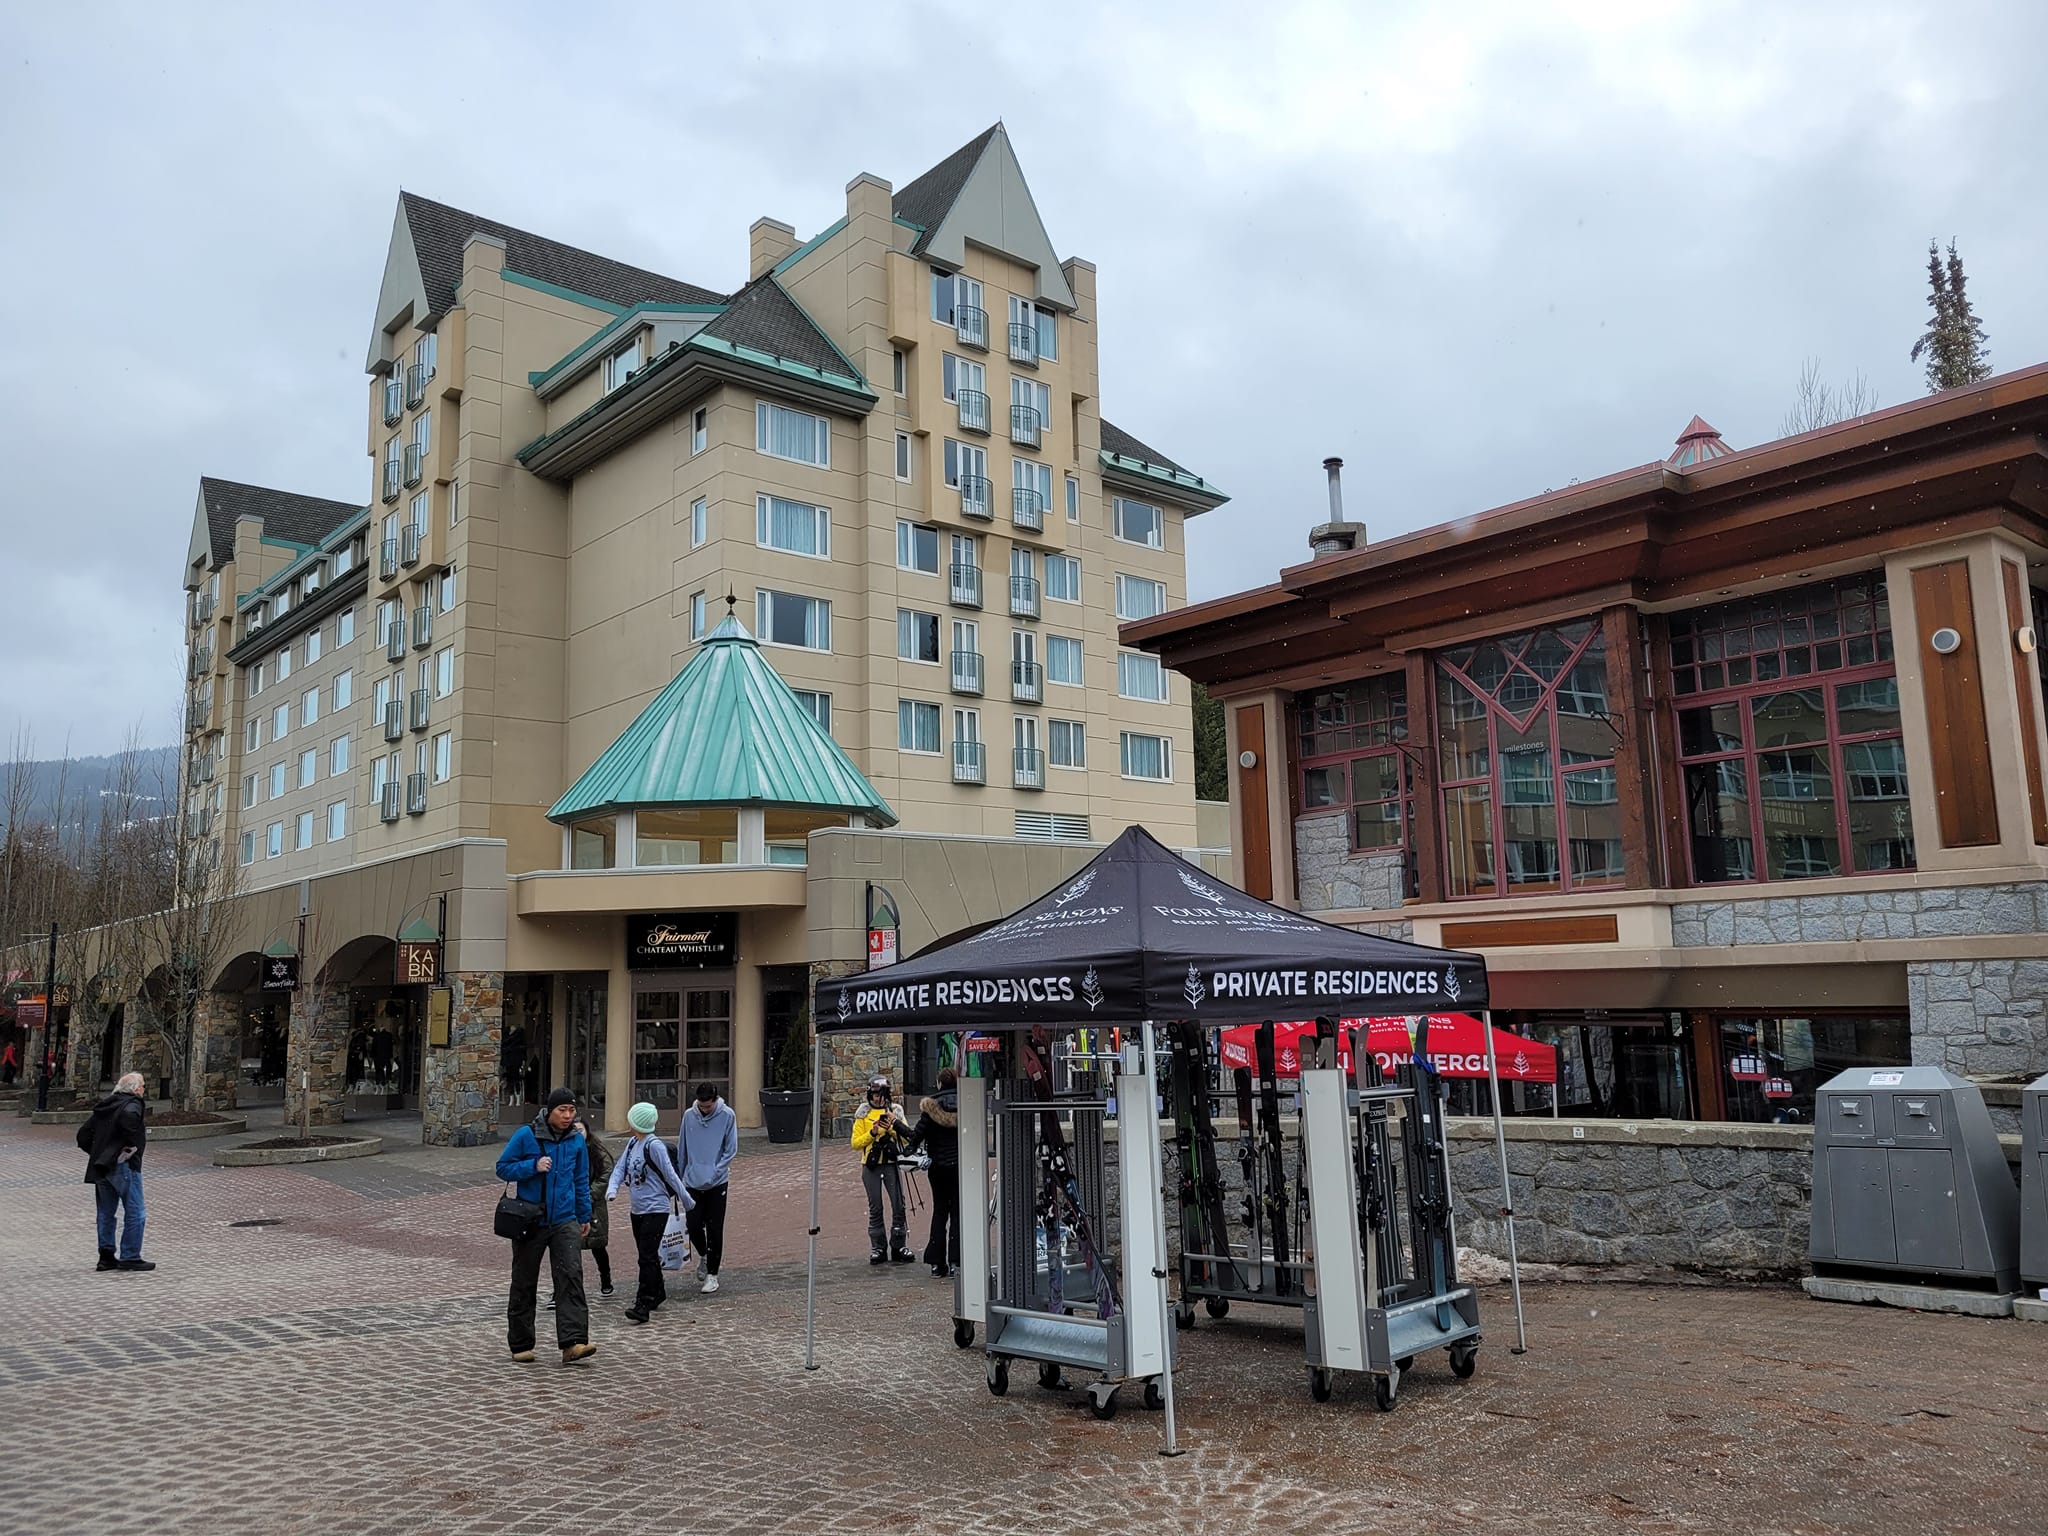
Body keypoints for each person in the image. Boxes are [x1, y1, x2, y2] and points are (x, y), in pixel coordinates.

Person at [495, 1087, 596, 1365]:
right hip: (532, 1220)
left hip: (565, 1220)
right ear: (549, 1111)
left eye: (571, 1110)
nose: (567, 1116)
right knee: (525, 1281)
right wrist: (532, 1166)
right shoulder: (526, 1135)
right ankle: (521, 1344)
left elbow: (580, 1179)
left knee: (571, 1277)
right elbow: (502, 1167)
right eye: (562, 1110)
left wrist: (584, 1215)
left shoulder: (576, 1140)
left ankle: (573, 1342)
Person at [606, 1101, 693, 1323]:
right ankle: (658, 1292)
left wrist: (687, 1200)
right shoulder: (633, 1142)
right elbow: (620, 1168)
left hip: (656, 1208)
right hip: (638, 1209)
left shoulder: (654, 1146)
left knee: (646, 1256)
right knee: (649, 1254)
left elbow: (671, 1175)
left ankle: (642, 1304)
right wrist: (612, 1189)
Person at [77, 1071, 152, 1271]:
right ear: (136, 1089)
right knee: (136, 1211)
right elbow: (130, 1124)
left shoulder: (106, 1106)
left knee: (106, 1212)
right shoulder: (132, 1105)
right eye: (143, 1086)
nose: (144, 1089)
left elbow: (83, 1135)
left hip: (101, 1166)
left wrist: (97, 1152)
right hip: (122, 1165)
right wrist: (129, 1149)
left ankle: (106, 1256)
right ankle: (130, 1255)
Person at [677, 1082, 736, 1294]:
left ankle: (713, 1274)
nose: (704, 1110)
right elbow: (682, 1146)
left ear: (715, 1100)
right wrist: (678, 1177)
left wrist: (716, 1170)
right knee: (693, 1225)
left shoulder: (727, 1115)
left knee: (714, 1228)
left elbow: (731, 1149)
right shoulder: (688, 1116)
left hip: (717, 1182)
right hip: (692, 1181)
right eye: (701, 1106)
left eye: (708, 1107)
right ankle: (703, 1254)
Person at [852, 1076, 916, 1265]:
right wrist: (872, 1133)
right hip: (871, 1165)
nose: (878, 1098)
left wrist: (893, 1127)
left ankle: (898, 1244)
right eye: (875, 1094)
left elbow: (907, 1137)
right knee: (875, 1207)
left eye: (882, 1094)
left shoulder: (895, 1111)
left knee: (898, 1204)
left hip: (891, 1163)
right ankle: (878, 1247)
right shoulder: (863, 1113)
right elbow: (855, 1143)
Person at [905, 1068, 961, 1276]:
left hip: (937, 1166)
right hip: (959, 1165)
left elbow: (917, 1134)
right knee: (957, 1213)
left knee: (940, 1212)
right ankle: (957, 1261)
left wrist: (909, 1149)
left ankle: (937, 1263)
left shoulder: (930, 1107)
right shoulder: (966, 1104)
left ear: (939, 1084)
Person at [577, 1117, 616, 1297]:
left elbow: (606, 1174)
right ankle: (564, 1288)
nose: (577, 1134)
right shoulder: (566, 1149)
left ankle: (606, 1279)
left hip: (594, 1204)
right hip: (572, 1204)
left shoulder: (597, 1151)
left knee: (597, 1245)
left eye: (580, 1130)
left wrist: (590, 1194)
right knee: (566, 1249)